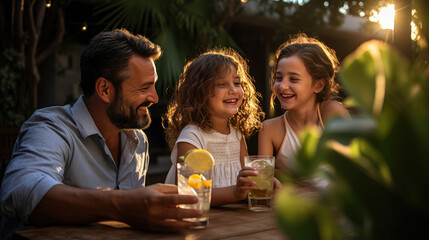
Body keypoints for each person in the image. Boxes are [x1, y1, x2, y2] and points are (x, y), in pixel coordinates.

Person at [0, 29, 202, 239]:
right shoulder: (51, 127)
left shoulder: (137, 140)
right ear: (105, 89)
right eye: (144, 87)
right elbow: (20, 192)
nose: (154, 96)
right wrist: (122, 205)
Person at [162, 48, 266, 206]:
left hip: (232, 222)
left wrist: (262, 185)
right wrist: (235, 193)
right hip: (196, 220)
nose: (233, 90)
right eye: (222, 84)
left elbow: (246, 184)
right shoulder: (192, 137)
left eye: (237, 83)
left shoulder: (237, 135)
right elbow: (188, 192)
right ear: (200, 92)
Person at [258, 34, 350, 173]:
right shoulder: (269, 129)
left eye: (293, 79)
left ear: (318, 85)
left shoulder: (332, 112)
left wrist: (280, 173)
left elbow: (347, 171)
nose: (282, 86)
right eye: (278, 78)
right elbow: (264, 179)